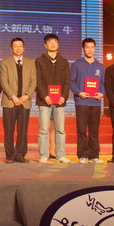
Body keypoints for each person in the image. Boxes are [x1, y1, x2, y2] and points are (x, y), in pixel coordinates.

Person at [0, 37, 37, 163]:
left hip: (25, 102)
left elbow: (34, 81)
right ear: (11, 48)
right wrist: (13, 97)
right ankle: (9, 155)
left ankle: (20, 155)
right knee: (8, 130)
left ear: (24, 48)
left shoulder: (30, 62)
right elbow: (3, 81)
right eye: (15, 46)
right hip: (10, 101)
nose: (18, 48)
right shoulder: (5, 62)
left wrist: (27, 96)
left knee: (23, 130)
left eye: (20, 46)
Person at [36, 33, 71, 164]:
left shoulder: (64, 62)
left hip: (60, 102)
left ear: (58, 44)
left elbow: (67, 81)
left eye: (55, 41)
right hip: (44, 101)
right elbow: (38, 80)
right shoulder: (39, 61)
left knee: (60, 130)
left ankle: (60, 155)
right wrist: (44, 95)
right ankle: (43, 155)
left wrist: (64, 96)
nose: (53, 44)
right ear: (45, 45)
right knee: (43, 129)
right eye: (50, 42)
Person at [70, 38, 105, 164]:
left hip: (95, 103)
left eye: (92, 47)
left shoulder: (100, 66)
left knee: (94, 131)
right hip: (82, 102)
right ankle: (83, 155)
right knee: (82, 130)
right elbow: (72, 82)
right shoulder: (76, 65)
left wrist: (102, 93)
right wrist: (79, 92)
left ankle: (94, 155)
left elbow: (103, 83)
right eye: (87, 47)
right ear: (83, 48)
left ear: (95, 49)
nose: (90, 50)